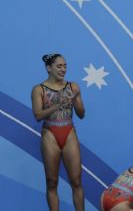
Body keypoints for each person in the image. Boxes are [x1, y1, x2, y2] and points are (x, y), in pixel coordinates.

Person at [31, 53, 85, 211]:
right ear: (49, 68)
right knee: (51, 182)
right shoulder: (38, 89)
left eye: (65, 66)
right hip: (50, 134)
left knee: (76, 181)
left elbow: (82, 114)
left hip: (69, 132)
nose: (63, 69)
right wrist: (58, 104)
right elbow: (37, 115)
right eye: (59, 66)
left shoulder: (73, 87)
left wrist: (74, 99)